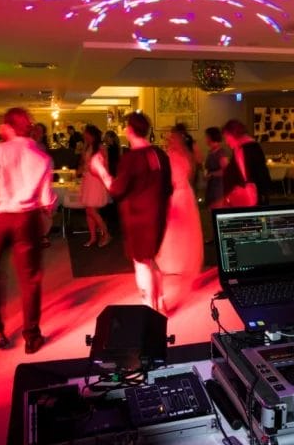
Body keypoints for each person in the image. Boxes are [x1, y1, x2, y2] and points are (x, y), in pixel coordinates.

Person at [0, 107, 58, 354]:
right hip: (27, 220)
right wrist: (49, 206)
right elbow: (47, 198)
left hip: (0, 219)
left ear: (8, 126)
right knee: (30, 279)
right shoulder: (42, 157)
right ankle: (32, 336)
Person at [91, 112, 172, 313]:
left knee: (141, 263)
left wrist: (100, 170)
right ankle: (160, 302)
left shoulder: (132, 158)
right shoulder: (160, 154)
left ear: (129, 130)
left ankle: (150, 310)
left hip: (138, 218)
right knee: (151, 259)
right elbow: (168, 188)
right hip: (158, 216)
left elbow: (116, 189)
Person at [155, 125, 204, 292]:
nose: (169, 139)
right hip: (186, 193)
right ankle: (182, 263)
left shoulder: (172, 155)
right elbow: (191, 174)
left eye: (171, 137)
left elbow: (169, 177)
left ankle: (176, 263)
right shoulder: (187, 153)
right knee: (184, 230)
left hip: (177, 194)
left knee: (178, 230)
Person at [221, 119, 272, 206]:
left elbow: (240, 176)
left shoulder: (241, 149)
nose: (226, 142)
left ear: (234, 134)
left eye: (226, 137)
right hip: (257, 195)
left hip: (248, 199)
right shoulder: (253, 146)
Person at [79, 125, 111, 248]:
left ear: (92, 135)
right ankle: (93, 237)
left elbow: (105, 166)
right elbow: (84, 163)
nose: (84, 136)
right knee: (88, 211)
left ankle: (106, 234)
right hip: (87, 179)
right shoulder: (87, 146)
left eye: (86, 133)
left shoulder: (101, 148)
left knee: (92, 210)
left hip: (96, 181)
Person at [203, 126, 229, 209]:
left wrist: (212, 174)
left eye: (206, 136)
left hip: (218, 188)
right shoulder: (211, 151)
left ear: (210, 137)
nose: (205, 139)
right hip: (211, 186)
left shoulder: (220, 152)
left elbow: (226, 170)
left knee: (216, 209)